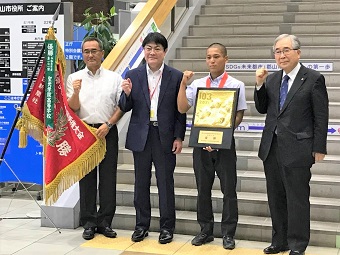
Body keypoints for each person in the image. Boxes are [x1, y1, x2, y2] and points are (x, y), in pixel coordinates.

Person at [254, 34, 329, 255]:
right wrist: (259, 85)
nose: (281, 55)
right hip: (272, 147)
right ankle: (280, 241)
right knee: (276, 197)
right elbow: (262, 108)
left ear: (298, 52)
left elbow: (321, 116)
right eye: (277, 51)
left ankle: (297, 245)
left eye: (286, 50)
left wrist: (319, 147)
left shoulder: (313, 78)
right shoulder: (273, 79)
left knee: (297, 200)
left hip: (298, 149)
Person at [177, 43, 247, 250]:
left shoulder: (236, 84)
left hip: (224, 146)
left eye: (216, 56)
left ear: (226, 59)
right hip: (201, 145)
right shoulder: (197, 84)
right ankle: (205, 230)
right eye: (208, 57)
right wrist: (183, 84)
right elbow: (182, 108)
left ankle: (228, 233)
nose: (212, 60)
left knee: (229, 190)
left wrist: (220, 138)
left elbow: (239, 115)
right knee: (203, 189)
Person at [118, 32, 186, 244]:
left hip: (164, 135)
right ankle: (141, 225)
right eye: (148, 48)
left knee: (166, 183)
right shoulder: (134, 74)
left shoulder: (175, 76)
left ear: (164, 52)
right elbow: (124, 107)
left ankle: (167, 227)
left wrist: (179, 137)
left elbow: (180, 111)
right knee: (141, 183)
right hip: (141, 136)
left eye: (157, 48)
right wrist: (126, 94)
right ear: (143, 51)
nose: (152, 52)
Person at [66, 37, 124, 240]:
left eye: (94, 51)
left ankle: (105, 222)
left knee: (108, 179)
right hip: (84, 133)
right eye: (86, 51)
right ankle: (89, 222)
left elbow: (121, 106)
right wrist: (76, 92)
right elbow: (72, 108)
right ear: (82, 54)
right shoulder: (74, 77)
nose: (90, 55)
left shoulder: (114, 78)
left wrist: (109, 124)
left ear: (102, 53)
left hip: (107, 131)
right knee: (87, 180)